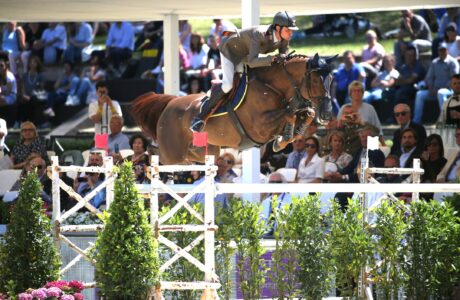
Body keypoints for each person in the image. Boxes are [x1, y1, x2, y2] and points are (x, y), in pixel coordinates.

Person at [190, 11, 299, 138]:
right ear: (278, 28)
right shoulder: (260, 34)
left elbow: (283, 58)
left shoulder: (283, 38)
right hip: (230, 50)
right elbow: (253, 62)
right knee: (228, 85)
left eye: (292, 30)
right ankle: (200, 117)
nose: (291, 33)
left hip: (246, 55)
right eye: (289, 30)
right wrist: (272, 59)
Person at [412, 42, 459, 124]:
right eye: (440, 50)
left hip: (448, 91)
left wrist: (439, 88)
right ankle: (416, 121)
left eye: (444, 50)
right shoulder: (435, 62)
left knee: (441, 92)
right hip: (434, 90)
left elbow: (454, 80)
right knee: (420, 94)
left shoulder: (452, 62)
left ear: (447, 50)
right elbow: (429, 77)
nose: (442, 52)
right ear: (438, 51)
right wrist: (430, 87)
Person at [337, 80, 385, 145]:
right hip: (348, 142)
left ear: (362, 93)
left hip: (367, 142)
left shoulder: (369, 108)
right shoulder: (344, 108)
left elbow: (378, 129)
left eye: (359, 91)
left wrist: (383, 145)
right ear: (350, 93)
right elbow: (337, 129)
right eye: (354, 91)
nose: (357, 93)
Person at [260, 172, 292, 237]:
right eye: (271, 182)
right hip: (265, 238)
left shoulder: (291, 200)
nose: (274, 185)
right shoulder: (265, 202)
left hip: (283, 238)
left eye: (277, 182)